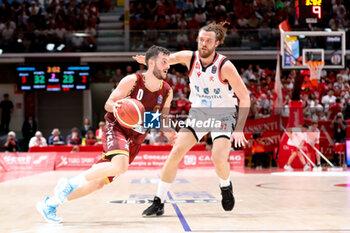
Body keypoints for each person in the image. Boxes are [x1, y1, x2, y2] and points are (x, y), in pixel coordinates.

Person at [36, 45, 174, 223]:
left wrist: (172, 134)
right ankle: (69, 183)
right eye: (164, 62)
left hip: (135, 141)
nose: (168, 66)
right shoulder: (132, 80)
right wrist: (115, 106)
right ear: (151, 62)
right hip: (116, 128)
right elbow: (109, 103)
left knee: (97, 183)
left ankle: (50, 204)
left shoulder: (167, 91)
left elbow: (163, 119)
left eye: (169, 63)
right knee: (120, 165)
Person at [133, 22, 250, 216]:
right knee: (176, 151)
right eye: (201, 39)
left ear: (217, 43)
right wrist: (149, 61)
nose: (203, 43)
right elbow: (165, 60)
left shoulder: (225, 66)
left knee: (218, 159)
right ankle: (159, 200)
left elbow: (244, 97)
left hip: (223, 114)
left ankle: (225, 185)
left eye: (208, 41)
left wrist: (239, 128)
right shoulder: (190, 57)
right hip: (199, 113)